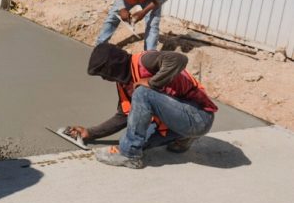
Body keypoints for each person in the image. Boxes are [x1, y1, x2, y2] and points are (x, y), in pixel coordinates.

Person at [68, 44, 217, 169]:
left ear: (113, 67)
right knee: (141, 140)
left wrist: (152, 83)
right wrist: (90, 133)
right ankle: (183, 136)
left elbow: (179, 59)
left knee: (143, 93)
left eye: (104, 74)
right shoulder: (125, 82)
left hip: (199, 116)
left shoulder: (144, 60)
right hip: (181, 119)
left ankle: (129, 155)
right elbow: (124, 115)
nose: (104, 78)